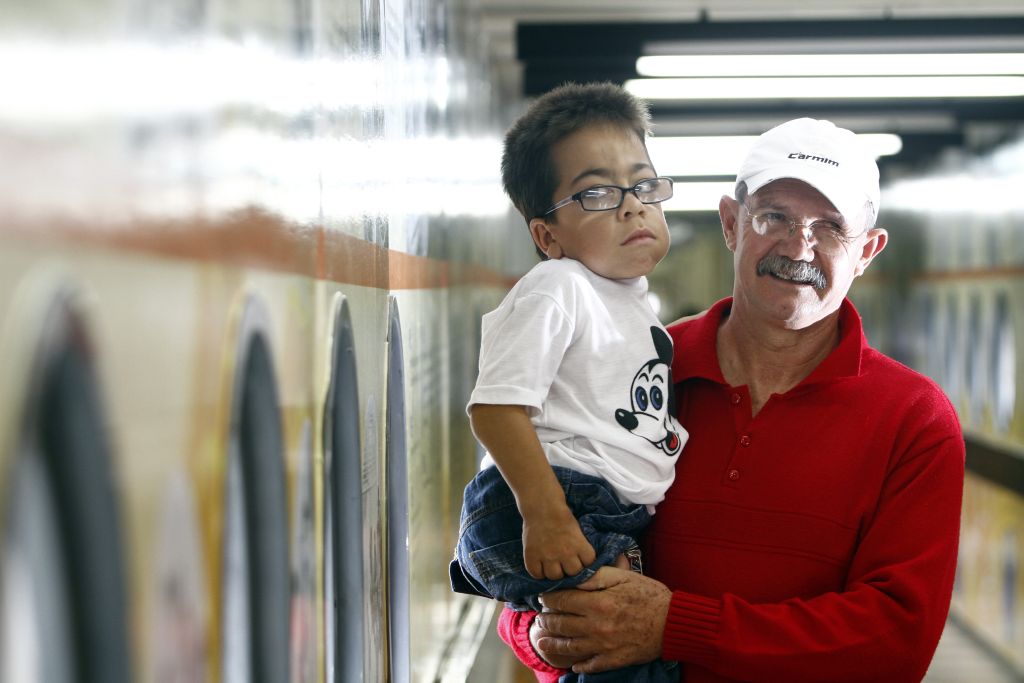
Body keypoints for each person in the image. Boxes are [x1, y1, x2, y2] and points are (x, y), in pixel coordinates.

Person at [498, 117, 965, 683]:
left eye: (831, 228)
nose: (799, 245)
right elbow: (525, 552)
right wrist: (541, 635)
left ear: (867, 250)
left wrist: (675, 626)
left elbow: (896, 642)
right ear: (730, 223)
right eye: (775, 216)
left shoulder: (915, 420)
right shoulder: (635, 372)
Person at [448, 82, 687, 682]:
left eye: (643, 184)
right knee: (626, 657)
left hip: (598, 510)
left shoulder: (631, 302)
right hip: (564, 502)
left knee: (617, 653)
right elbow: (495, 409)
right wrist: (546, 515)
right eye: (597, 193)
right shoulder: (560, 288)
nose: (632, 205)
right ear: (547, 237)